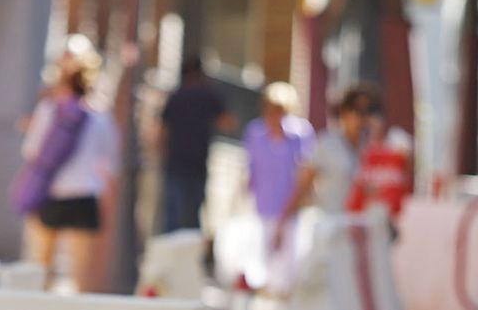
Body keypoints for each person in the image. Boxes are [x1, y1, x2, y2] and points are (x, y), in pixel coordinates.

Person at [17, 36, 121, 293]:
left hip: (51, 193)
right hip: (84, 196)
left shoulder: (49, 109)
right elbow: (111, 166)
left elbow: (31, 152)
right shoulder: (100, 116)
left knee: (39, 272)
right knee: (81, 277)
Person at [276, 85, 372, 242]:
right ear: (344, 113)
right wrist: (283, 222)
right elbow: (304, 184)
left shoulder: (372, 149)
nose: (363, 118)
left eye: (368, 112)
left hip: (360, 234)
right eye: (357, 111)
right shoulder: (327, 144)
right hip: (331, 229)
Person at [159, 57, 234, 233]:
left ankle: (171, 254)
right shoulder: (208, 95)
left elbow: (161, 131)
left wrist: (163, 154)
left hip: (175, 162)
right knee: (193, 214)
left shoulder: (176, 96)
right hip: (196, 163)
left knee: (172, 216)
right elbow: (228, 122)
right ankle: (191, 254)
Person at [244, 81, 316, 253]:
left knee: (288, 269)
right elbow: (251, 172)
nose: (274, 116)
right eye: (270, 109)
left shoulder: (301, 134)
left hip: (292, 213)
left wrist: (284, 218)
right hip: (262, 210)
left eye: (280, 110)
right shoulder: (255, 132)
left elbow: (304, 178)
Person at [346, 97, 415, 225]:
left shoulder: (398, 139)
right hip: (369, 215)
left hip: (396, 214)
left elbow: (410, 171)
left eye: (375, 120)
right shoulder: (363, 146)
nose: (372, 125)